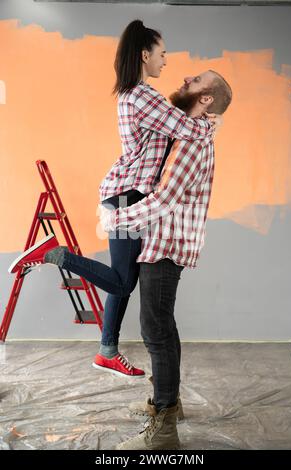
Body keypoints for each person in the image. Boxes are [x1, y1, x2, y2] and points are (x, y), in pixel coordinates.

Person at [8, 20, 221, 379]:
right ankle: (50, 254)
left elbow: (175, 122)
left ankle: (107, 350)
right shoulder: (142, 96)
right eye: (162, 54)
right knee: (123, 282)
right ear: (144, 54)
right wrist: (214, 123)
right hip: (125, 196)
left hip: (127, 193)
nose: (165, 62)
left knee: (121, 277)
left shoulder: (136, 94)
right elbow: (187, 128)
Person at [100, 70, 232, 450]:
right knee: (162, 328)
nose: (186, 77)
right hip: (162, 241)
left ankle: (165, 428)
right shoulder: (192, 131)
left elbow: (163, 200)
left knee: (155, 330)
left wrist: (113, 218)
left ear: (206, 99)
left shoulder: (191, 144)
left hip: (167, 244)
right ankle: (168, 403)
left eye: (196, 81)